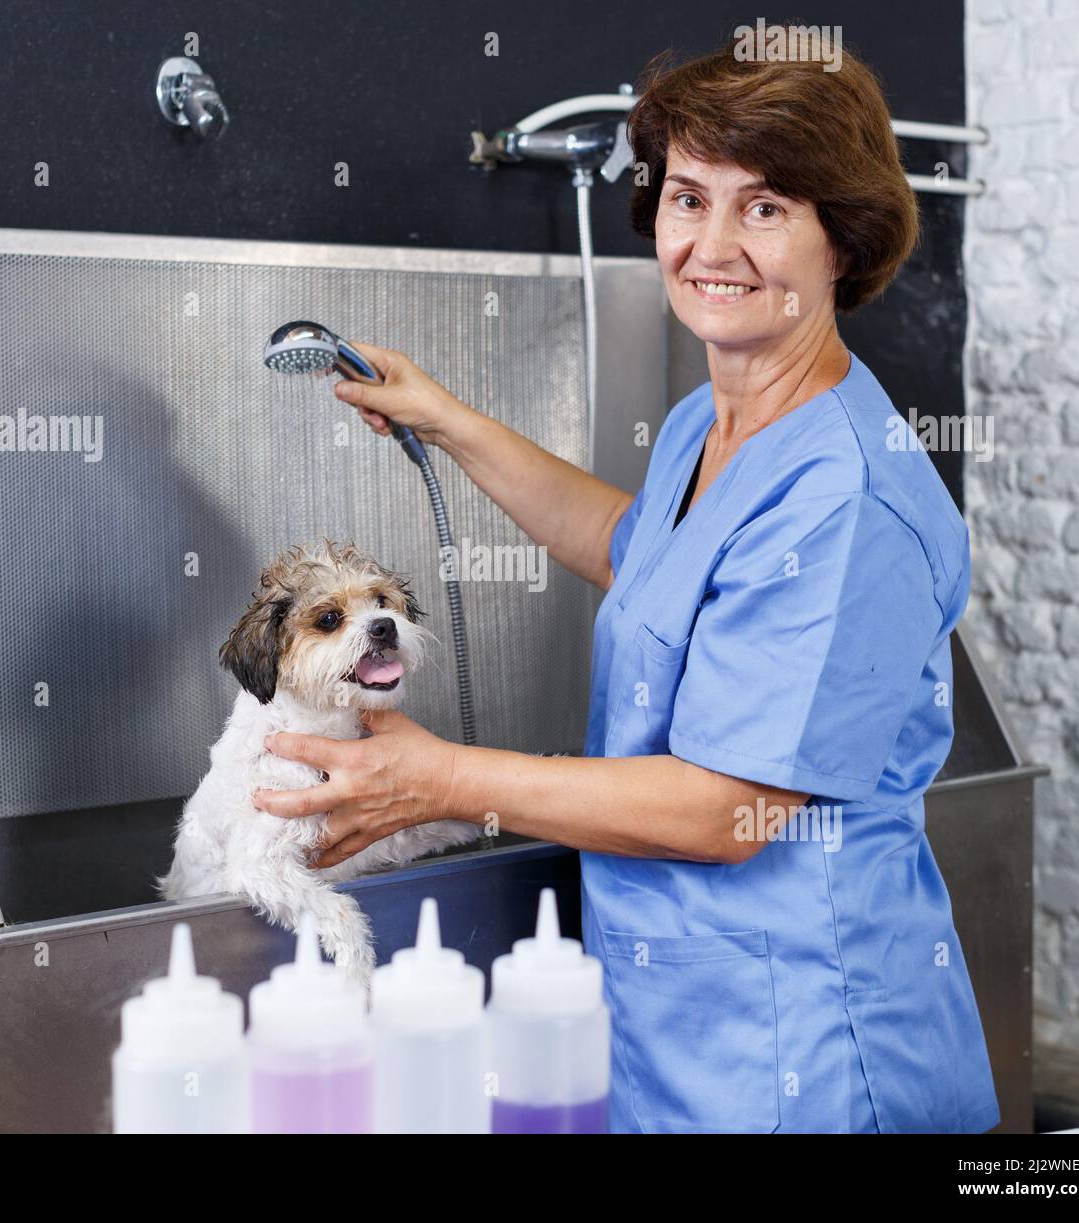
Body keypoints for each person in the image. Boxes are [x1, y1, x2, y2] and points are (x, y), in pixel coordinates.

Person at [253, 40, 1001, 1133]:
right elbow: (634, 543)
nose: (709, 245)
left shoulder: (846, 498)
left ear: (841, 236)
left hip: (806, 1050)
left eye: (765, 208)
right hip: (679, 1026)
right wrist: (446, 418)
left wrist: (442, 778)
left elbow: (722, 809)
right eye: (687, 198)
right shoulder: (714, 415)